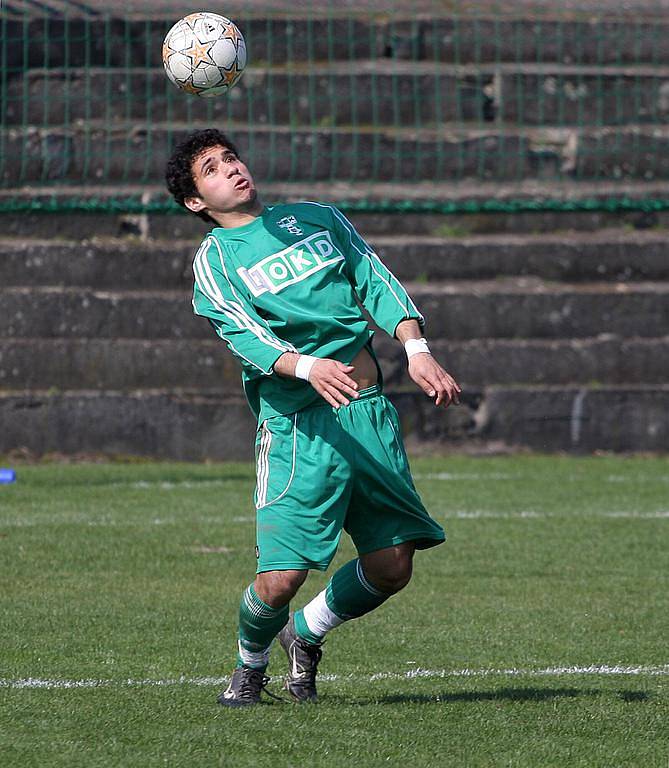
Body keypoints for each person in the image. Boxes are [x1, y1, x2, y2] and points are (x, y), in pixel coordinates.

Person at [165, 128, 461, 708]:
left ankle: (304, 633)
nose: (231, 169)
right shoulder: (215, 262)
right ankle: (250, 666)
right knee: (280, 580)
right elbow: (243, 336)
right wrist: (305, 368)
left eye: (231, 157)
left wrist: (416, 348)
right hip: (300, 431)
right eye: (212, 169)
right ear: (196, 202)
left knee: (392, 565)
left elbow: (373, 279)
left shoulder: (319, 218)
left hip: (369, 417)